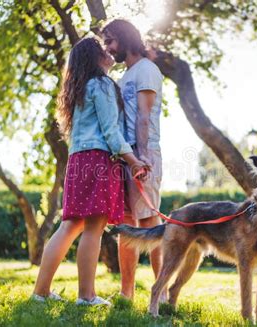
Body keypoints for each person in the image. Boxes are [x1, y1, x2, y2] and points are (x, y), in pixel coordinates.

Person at [31, 37, 149, 306]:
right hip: (98, 160)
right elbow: (110, 131)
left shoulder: (80, 87)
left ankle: (40, 292)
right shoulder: (103, 85)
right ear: (94, 58)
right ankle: (86, 296)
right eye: (102, 49)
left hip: (77, 160)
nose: (108, 51)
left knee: (70, 226)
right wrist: (133, 161)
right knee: (93, 228)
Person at [101, 19, 165, 300]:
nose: (108, 48)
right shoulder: (124, 76)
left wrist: (141, 159)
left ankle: (160, 292)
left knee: (150, 222)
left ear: (126, 39)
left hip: (144, 154)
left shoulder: (147, 70)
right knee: (126, 224)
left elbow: (144, 115)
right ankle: (126, 293)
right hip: (126, 157)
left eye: (111, 41)